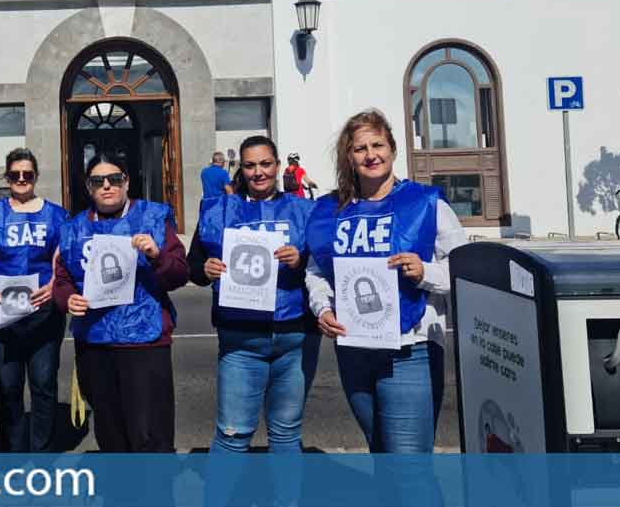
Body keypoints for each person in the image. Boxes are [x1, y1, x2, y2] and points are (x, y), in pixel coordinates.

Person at [305, 109, 466, 454]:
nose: (370, 155)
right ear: (349, 157)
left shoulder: (426, 202)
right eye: (360, 148)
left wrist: (427, 273)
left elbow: (465, 269)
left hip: (410, 349)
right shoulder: (329, 210)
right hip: (354, 350)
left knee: (408, 468)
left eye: (377, 145)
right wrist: (323, 308)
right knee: (382, 455)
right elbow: (317, 271)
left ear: (392, 149)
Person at [188, 135, 319, 454]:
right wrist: (205, 270)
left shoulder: (305, 210)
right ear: (240, 169)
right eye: (250, 165)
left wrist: (299, 261)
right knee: (232, 435)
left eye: (265, 164)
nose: (258, 172)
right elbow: (192, 266)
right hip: (240, 339)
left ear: (277, 166)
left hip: (294, 336)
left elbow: (324, 270)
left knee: (287, 435)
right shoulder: (219, 210)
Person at [52, 152, 189, 452]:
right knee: (111, 433)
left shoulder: (153, 217)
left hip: (144, 343)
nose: (107, 186)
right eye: (97, 181)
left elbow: (180, 274)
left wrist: (156, 255)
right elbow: (61, 279)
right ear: (88, 187)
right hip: (95, 344)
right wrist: (67, 299)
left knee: (150, 435)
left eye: (114, 179)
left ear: (126, 182)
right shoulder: (74, 228)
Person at [0, 147, 68, 453]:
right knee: (8, 384)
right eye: (15, 174)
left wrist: (54, 285)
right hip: (2, 312)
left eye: (28, 174)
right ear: (7, 177)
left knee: (43, 383)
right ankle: (13, 447)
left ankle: (42, 451)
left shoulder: (55, 214)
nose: (22, 179)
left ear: (36, 176)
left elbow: (59, 258)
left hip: (43, 311)